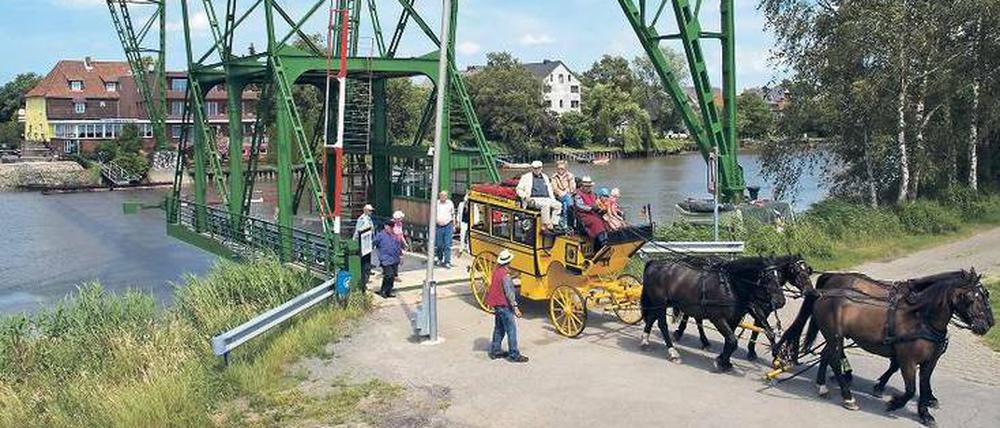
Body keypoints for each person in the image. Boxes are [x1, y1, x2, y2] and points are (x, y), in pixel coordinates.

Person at [485, 250, 528, 363]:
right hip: (504, 305)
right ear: (508, 262)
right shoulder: (505, 275)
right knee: (511, 330)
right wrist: (516, 308)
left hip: (497, 305)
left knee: (499, 328)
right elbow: (509, 293)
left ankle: (495, 350)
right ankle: (514, 354)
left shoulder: (497, 272)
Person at [515, 160, 562, 232]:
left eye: (538, 168)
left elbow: (549, 191)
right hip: (533, 199)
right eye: (535, 168)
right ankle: (546, 225)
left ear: (541, 168)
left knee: (558, 205)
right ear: (532, 168)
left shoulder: (545, 177)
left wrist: (553, 199)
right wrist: (525, 197)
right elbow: (518, 189)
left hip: (546, 198)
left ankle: (554, 224)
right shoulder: (526, 177)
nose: (536, 170)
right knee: (545, 205)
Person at [573, 176, 609, 249]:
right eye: (587, 186)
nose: (589, 188)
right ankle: (603, 242)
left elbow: (597, 204)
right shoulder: (578, 195)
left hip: (593, 213)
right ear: (582, 186)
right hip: (583, 215)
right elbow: (580, 206)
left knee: (604, 221)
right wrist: (591, 208)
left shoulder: (593, 194)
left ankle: (606, 240)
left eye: (590, 186)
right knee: (596, 222)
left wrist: (600, 210)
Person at [374, 221, 402, 298]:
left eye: (392, 227)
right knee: (388, 275)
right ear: (385, 226)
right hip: (385, 258)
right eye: (389, 226)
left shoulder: (394, 235)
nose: (390, 228)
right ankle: (383, 290)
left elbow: (398, 246)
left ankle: (388, 291)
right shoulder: (380, 235)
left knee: (392, 276)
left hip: (394, 258)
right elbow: (374, 243)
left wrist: (401, 256)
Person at [352, 204, 375, 289]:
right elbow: (358, 231)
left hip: (368, 243)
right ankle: (363, 281)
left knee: (367, 262)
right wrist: (354, 240)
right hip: (363, 243)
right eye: (370, 211)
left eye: (371, 211)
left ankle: (366, 277)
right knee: (363, 262)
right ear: (365, 210)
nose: (371, 212)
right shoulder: (361, 219)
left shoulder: (369, 219)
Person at [550, 160, 576, 229]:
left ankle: (565, 225)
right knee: (568, 203)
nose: (560, 170)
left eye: (562, 168)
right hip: (559, 196)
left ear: (566, 168)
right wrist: (562, 193)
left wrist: (568, 192)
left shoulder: (570, 176)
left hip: (568, 195)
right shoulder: (554, 177)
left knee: (565, 205)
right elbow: (554, 189)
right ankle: (568, 223)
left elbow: (572, 187)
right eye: (559, 168)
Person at [435, 190, 455, 268]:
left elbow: (453, 214)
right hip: (438, 226)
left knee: (447, 244)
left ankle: (447, 261)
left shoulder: (450, 203)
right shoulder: (436, 203)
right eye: (441, 195)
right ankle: (440, 258)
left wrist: (454, 225)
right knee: (439, 244)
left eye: (444, 196)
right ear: (439, 196)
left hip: (448, 225)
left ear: (447, 196)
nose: (443, 197)